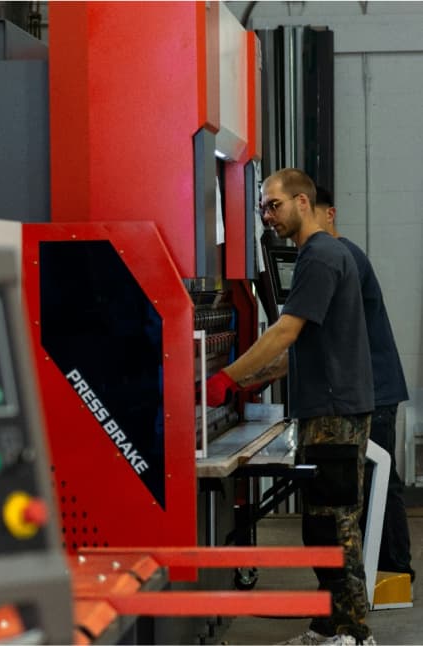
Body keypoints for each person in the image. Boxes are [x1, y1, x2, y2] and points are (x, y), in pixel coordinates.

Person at [206, 168, 375, 646]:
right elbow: (300, 350)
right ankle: (328, 629)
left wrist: (227, 377)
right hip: (328, 408)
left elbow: (285, 331)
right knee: (321, 525)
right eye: (262, 207)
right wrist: (251, 381)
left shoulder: (319, 256)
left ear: (303, 202)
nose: (267, 215)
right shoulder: (321, 255)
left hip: (334, 413)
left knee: (335, 526)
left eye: (274, 205)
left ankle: (354, 634)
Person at [314, 186, 414, 582]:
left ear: (330, 214)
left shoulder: (344, 257)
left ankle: (395, 570)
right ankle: (388, 569)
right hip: (371, 387)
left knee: (380, 483)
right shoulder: (340, 255)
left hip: (376, 389)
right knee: (379, 482)